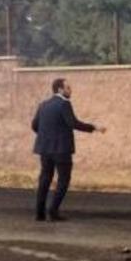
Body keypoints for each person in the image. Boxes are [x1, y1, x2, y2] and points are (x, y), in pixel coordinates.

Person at [31, 78, 106, 221]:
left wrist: (47, 135)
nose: (70, 90)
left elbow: (35, 125)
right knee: (63, 179)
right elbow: (73, 123)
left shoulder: (43, 105)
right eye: (68, 88)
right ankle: (53, 211)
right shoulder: (64, 104)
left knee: (45, 179)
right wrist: (94, 127)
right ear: (60, 89)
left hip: (45, 149)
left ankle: (39, 213)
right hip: (62, 149)